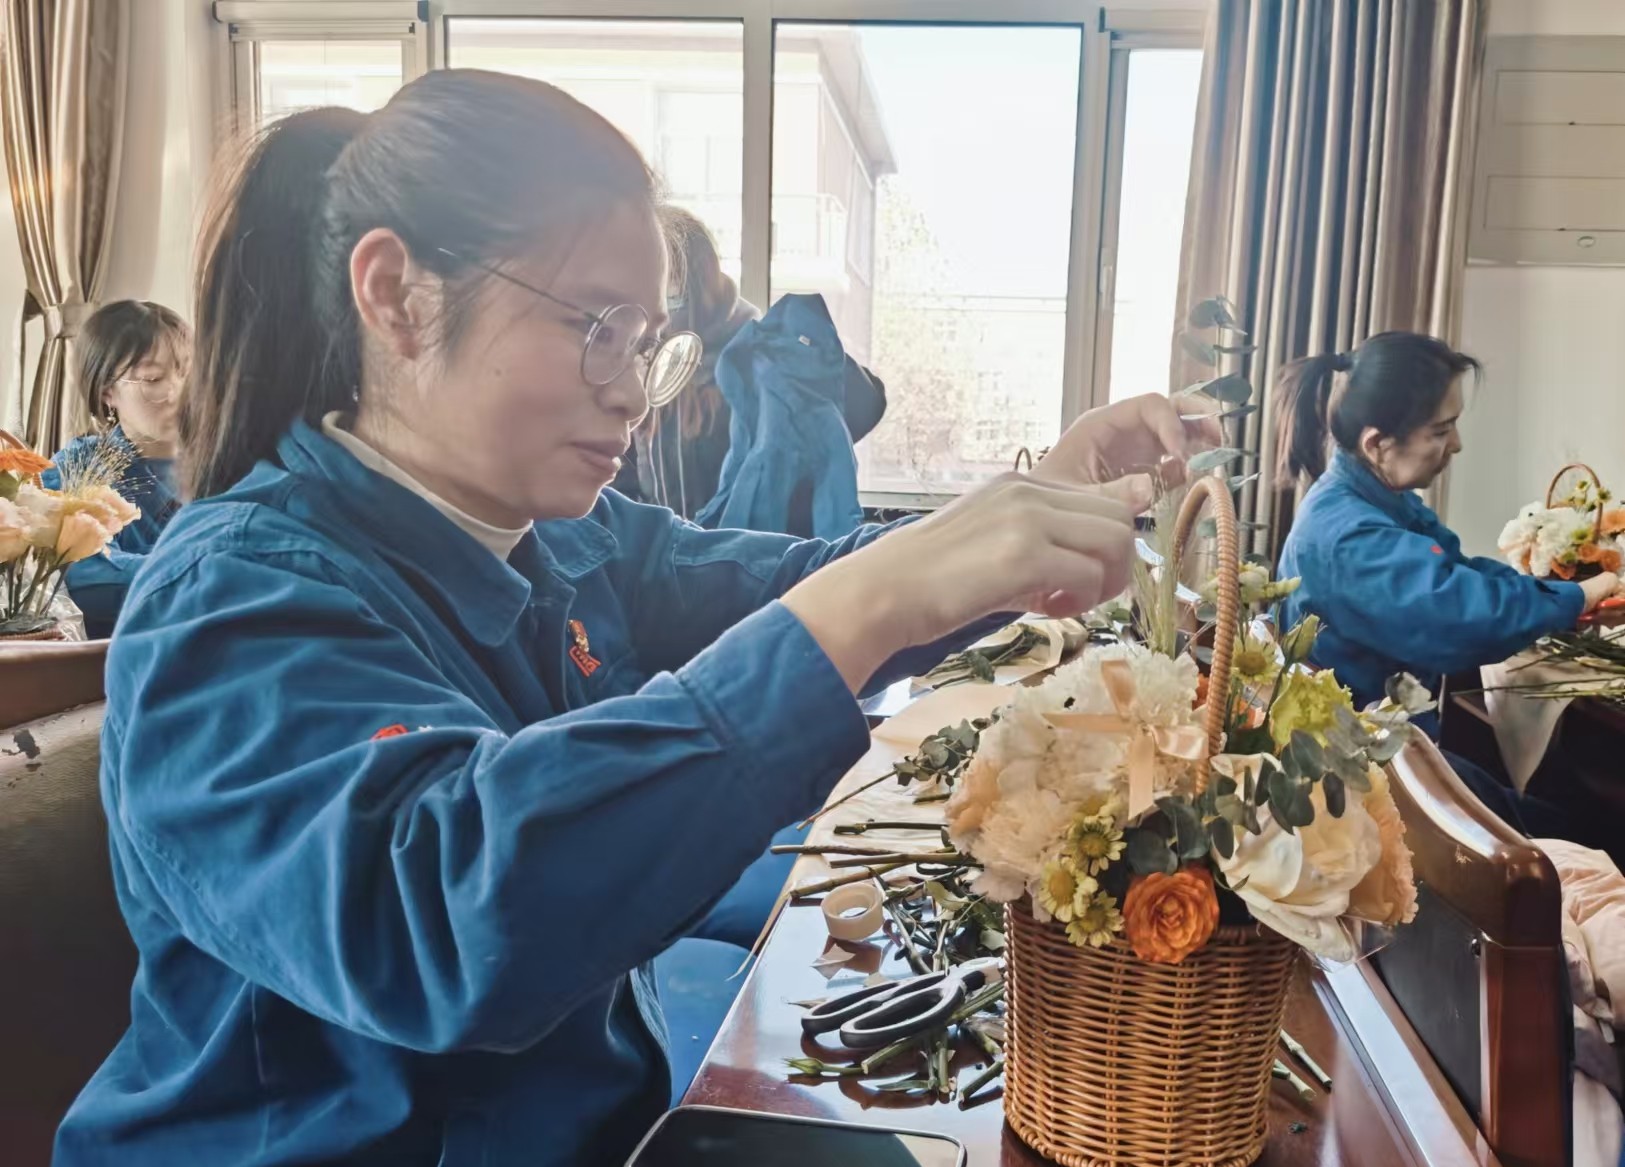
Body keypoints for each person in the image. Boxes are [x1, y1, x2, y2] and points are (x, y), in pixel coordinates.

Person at [54, 70, 1213, 1167]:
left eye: (646, 344)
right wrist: (862, 605)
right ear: (397, 295)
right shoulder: (235, 598)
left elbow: (797, 579)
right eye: (594, 327)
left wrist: (1026, 509)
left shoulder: (566, 536)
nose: (627, 390)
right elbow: (447, 918)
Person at [1276, 331, 1620, 836]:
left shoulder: (1374, 499)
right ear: (1377, 443)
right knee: (1584, 830)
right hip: (1362, 775)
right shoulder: (1352, 537)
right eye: (1441, 430)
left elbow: (1462, 573)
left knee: (1569, 814)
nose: (1455, 444)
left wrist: (1575, 599)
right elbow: (1466, 615)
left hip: (1388, 748)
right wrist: (1581, 593)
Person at [612, 207, 886, 527]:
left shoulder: (755, 355)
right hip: (676, 545)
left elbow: (865, 404)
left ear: (698, 282)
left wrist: (803, 356)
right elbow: (628, 480)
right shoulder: (646, 360)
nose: (655, 311)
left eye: (667, 294)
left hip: (754, 546)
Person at [40, 300, 189, 636]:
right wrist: (211, 574)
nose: (177, 392)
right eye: (153, 378)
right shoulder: (79, 468)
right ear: (108, 391)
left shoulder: (231, 464)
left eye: (187, 371)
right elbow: (90, 578)